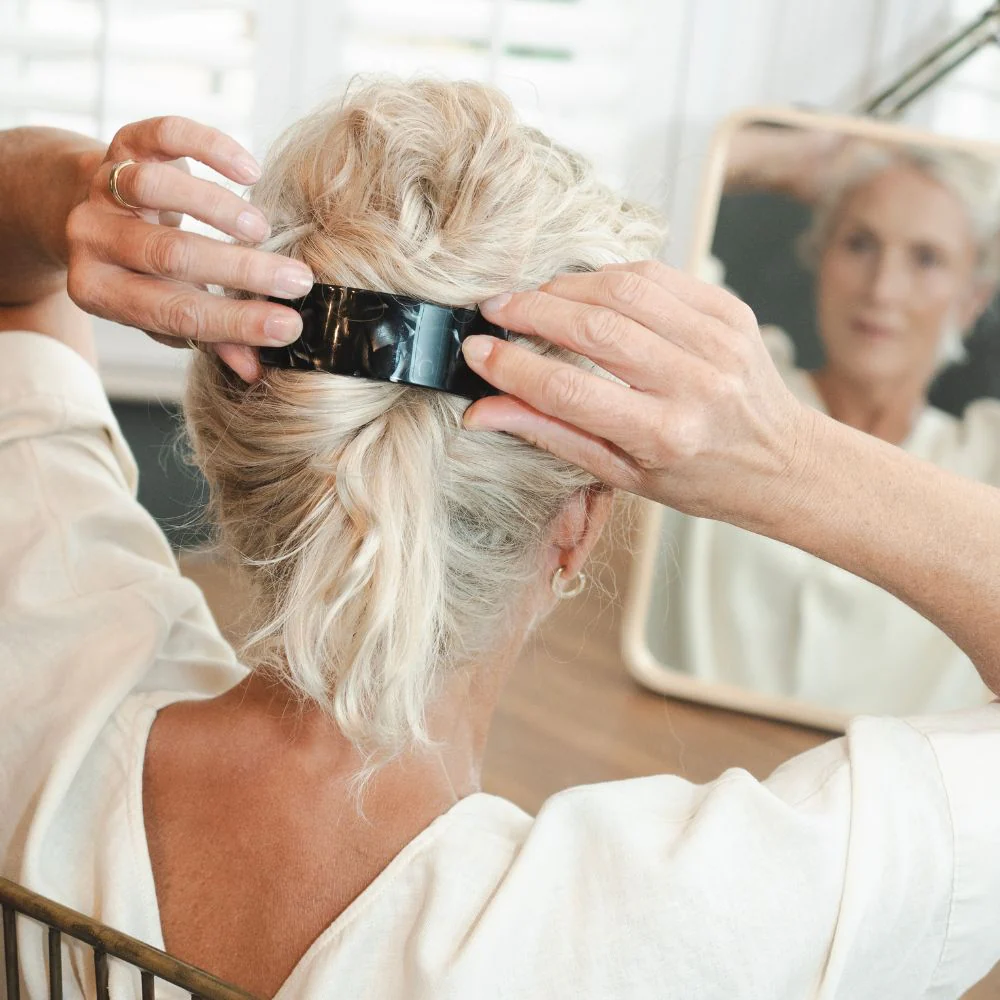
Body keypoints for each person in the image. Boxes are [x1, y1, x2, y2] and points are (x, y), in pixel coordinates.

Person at [2, 78, 1000, 1000]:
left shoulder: (49, 671)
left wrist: (80, 191)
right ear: (577, 525)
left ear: (233, 444)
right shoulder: (663, 929)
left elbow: (15, 291)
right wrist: (787, 455)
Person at [654, 129, 1000, 714]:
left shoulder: (985, 460)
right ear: (820, 261)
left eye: (926, 258)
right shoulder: (722, 383)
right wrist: (780, 158)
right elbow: (638, 255)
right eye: (860, 243)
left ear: (971, 301)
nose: (882, 289)